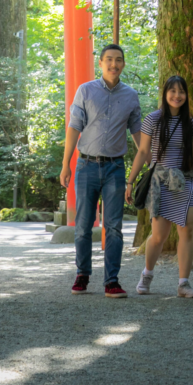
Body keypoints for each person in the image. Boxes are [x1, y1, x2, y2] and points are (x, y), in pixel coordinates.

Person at [60, 44, 142, 297]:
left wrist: (149, 158)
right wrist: (65, 164)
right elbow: (74, 127)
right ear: (101, 62)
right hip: (86, 166)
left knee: (114, 226)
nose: (113, 64)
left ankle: (112, 280)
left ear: (123, 64)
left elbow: (138, 133)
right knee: (83, 225)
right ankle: (82, 274)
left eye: (118, 60)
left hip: (115, 167)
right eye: (109, 59)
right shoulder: (85, 91)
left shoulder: (131, 96)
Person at [125, 74, 193, 298]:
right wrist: (130, 182)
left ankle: (183, 284)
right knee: (159, 236)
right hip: (161, 183)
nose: (177, 95)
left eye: (181, 91)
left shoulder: (191, 124)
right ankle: (147, 274)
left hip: (186, 182)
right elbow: (143, 152)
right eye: (173, 91)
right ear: (165, 93)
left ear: (186, 95)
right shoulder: (153, 120)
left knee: (187, 231)